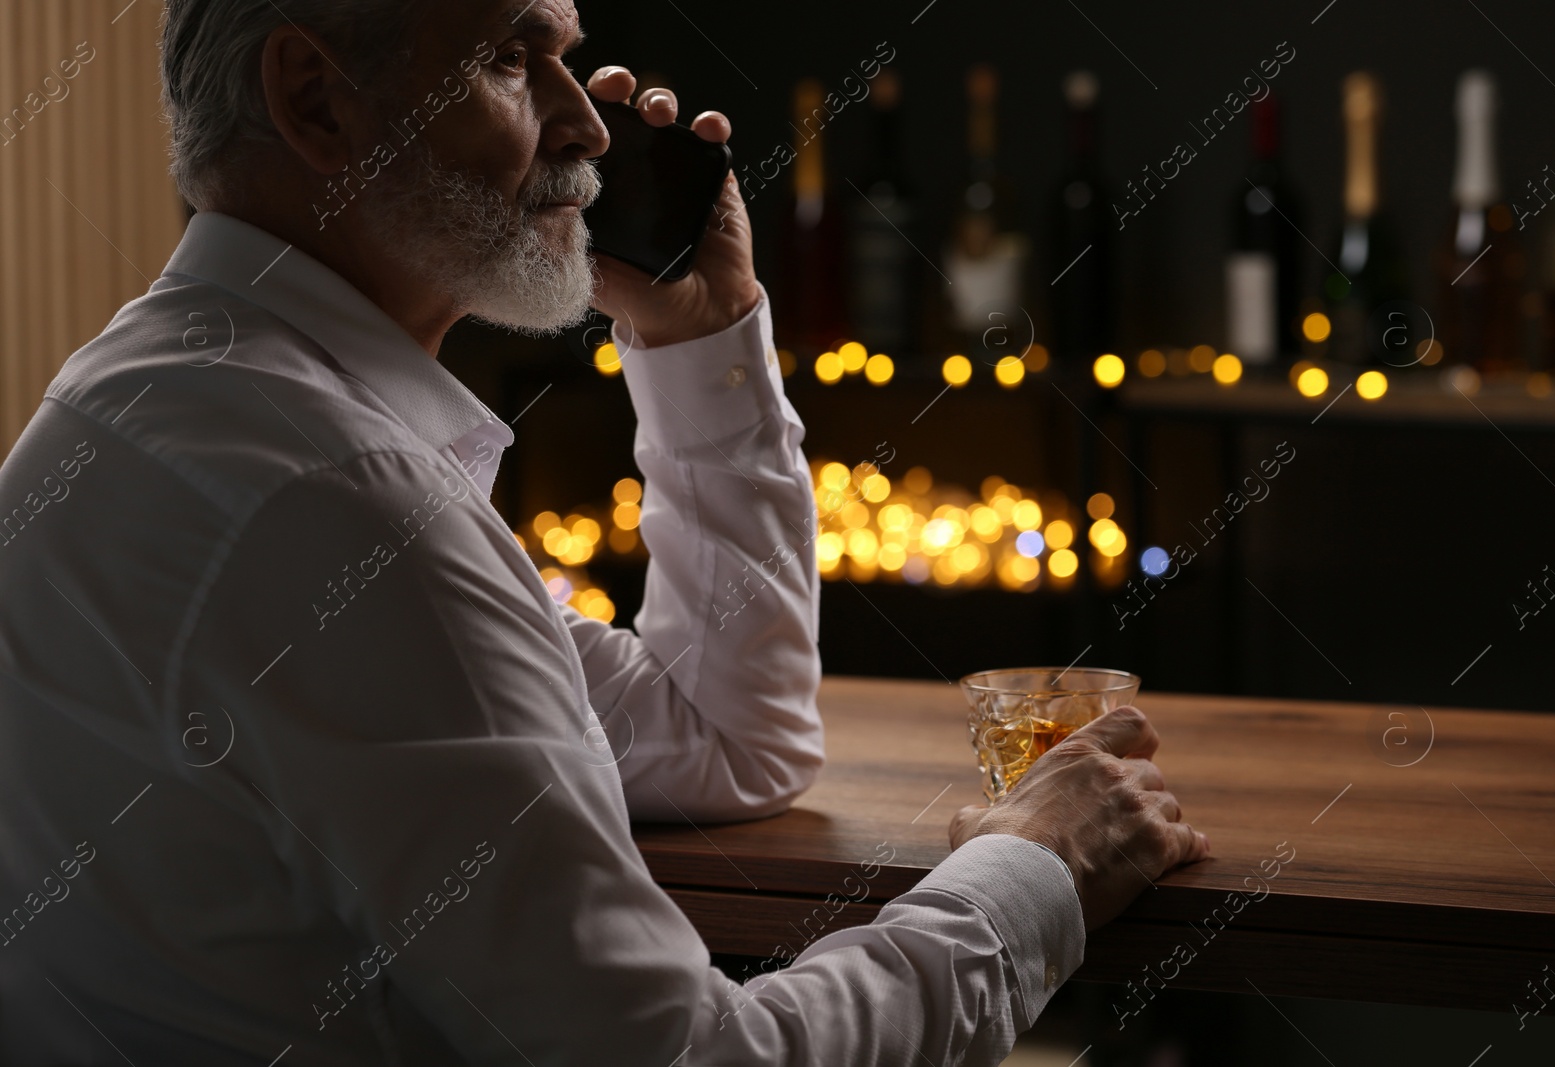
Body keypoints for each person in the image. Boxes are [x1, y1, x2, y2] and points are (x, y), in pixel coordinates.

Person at [0, 1, 1208, 1062]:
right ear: (316, 98)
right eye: (513, 58)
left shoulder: (138, 396)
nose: (586, 126)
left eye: (569, 56)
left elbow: (729, 740)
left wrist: (701, 329)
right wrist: (1033, 872)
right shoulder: (339, 501)